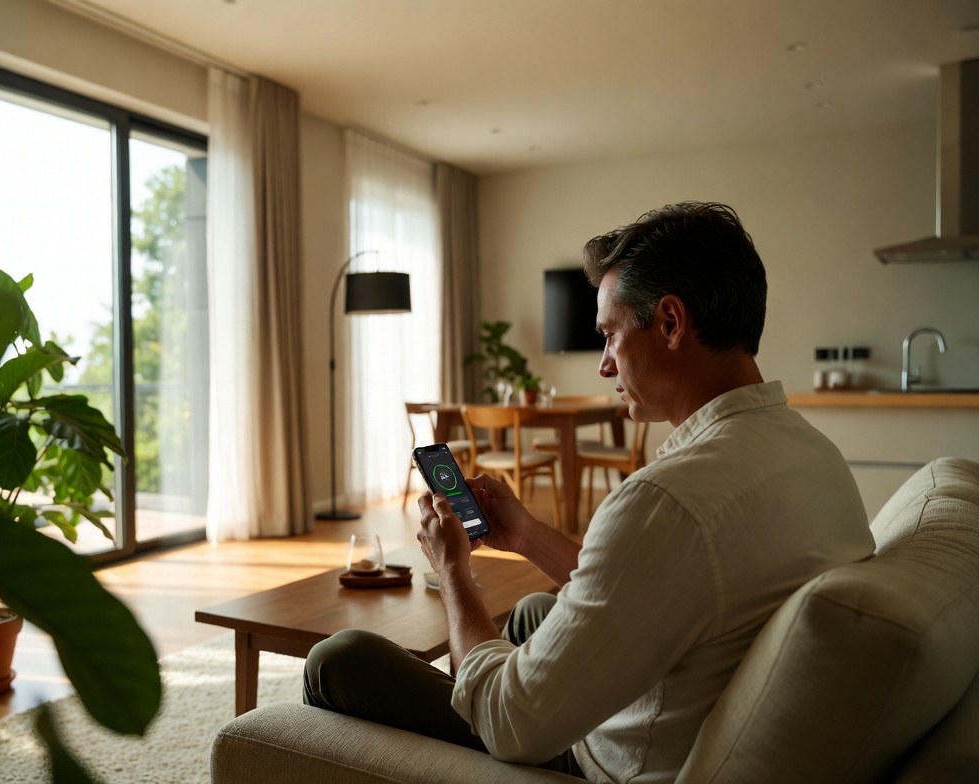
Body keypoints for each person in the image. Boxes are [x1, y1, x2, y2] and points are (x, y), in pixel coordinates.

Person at [303, 202, 875, 782]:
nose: (604, 365)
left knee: (338, 659)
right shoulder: (809, 450)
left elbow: (511, 725)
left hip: (601, 757)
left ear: (671, 323)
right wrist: (524, 534)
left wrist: (452, 570)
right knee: (530, 612)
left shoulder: (666, 500)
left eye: (609, 335)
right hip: (692, 693)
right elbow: (660, 577)